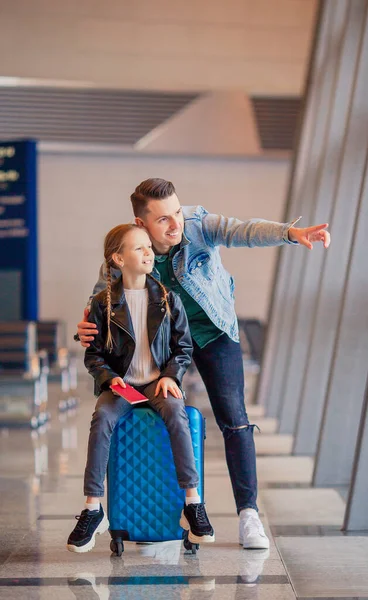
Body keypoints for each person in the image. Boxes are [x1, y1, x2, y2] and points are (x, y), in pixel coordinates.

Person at [77, 178, 331, 550]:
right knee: (154, 412)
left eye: (177, 212)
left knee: (234, 418)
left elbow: (242, 231)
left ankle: (249, 515)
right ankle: (154, 511)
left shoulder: (197, 225)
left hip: (214, 333)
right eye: (163, 219)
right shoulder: (131, 246)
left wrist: (289, 233)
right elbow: (102, 297)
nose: (176, 224)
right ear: (142, 222)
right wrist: (85, 325)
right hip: (163, 347)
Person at [67, 223, 215, 553]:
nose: (149, 252)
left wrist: (170, 376)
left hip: (156, 383)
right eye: (139, 248)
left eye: (149, 247)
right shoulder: (102, 304)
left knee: (176, 413)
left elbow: (183, 348)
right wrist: (109, 379)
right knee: (102, 418)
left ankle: (193, 502)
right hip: (121, 386)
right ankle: (93, 507)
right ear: (118, 259)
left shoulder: (168, 300)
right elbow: (93, 355)